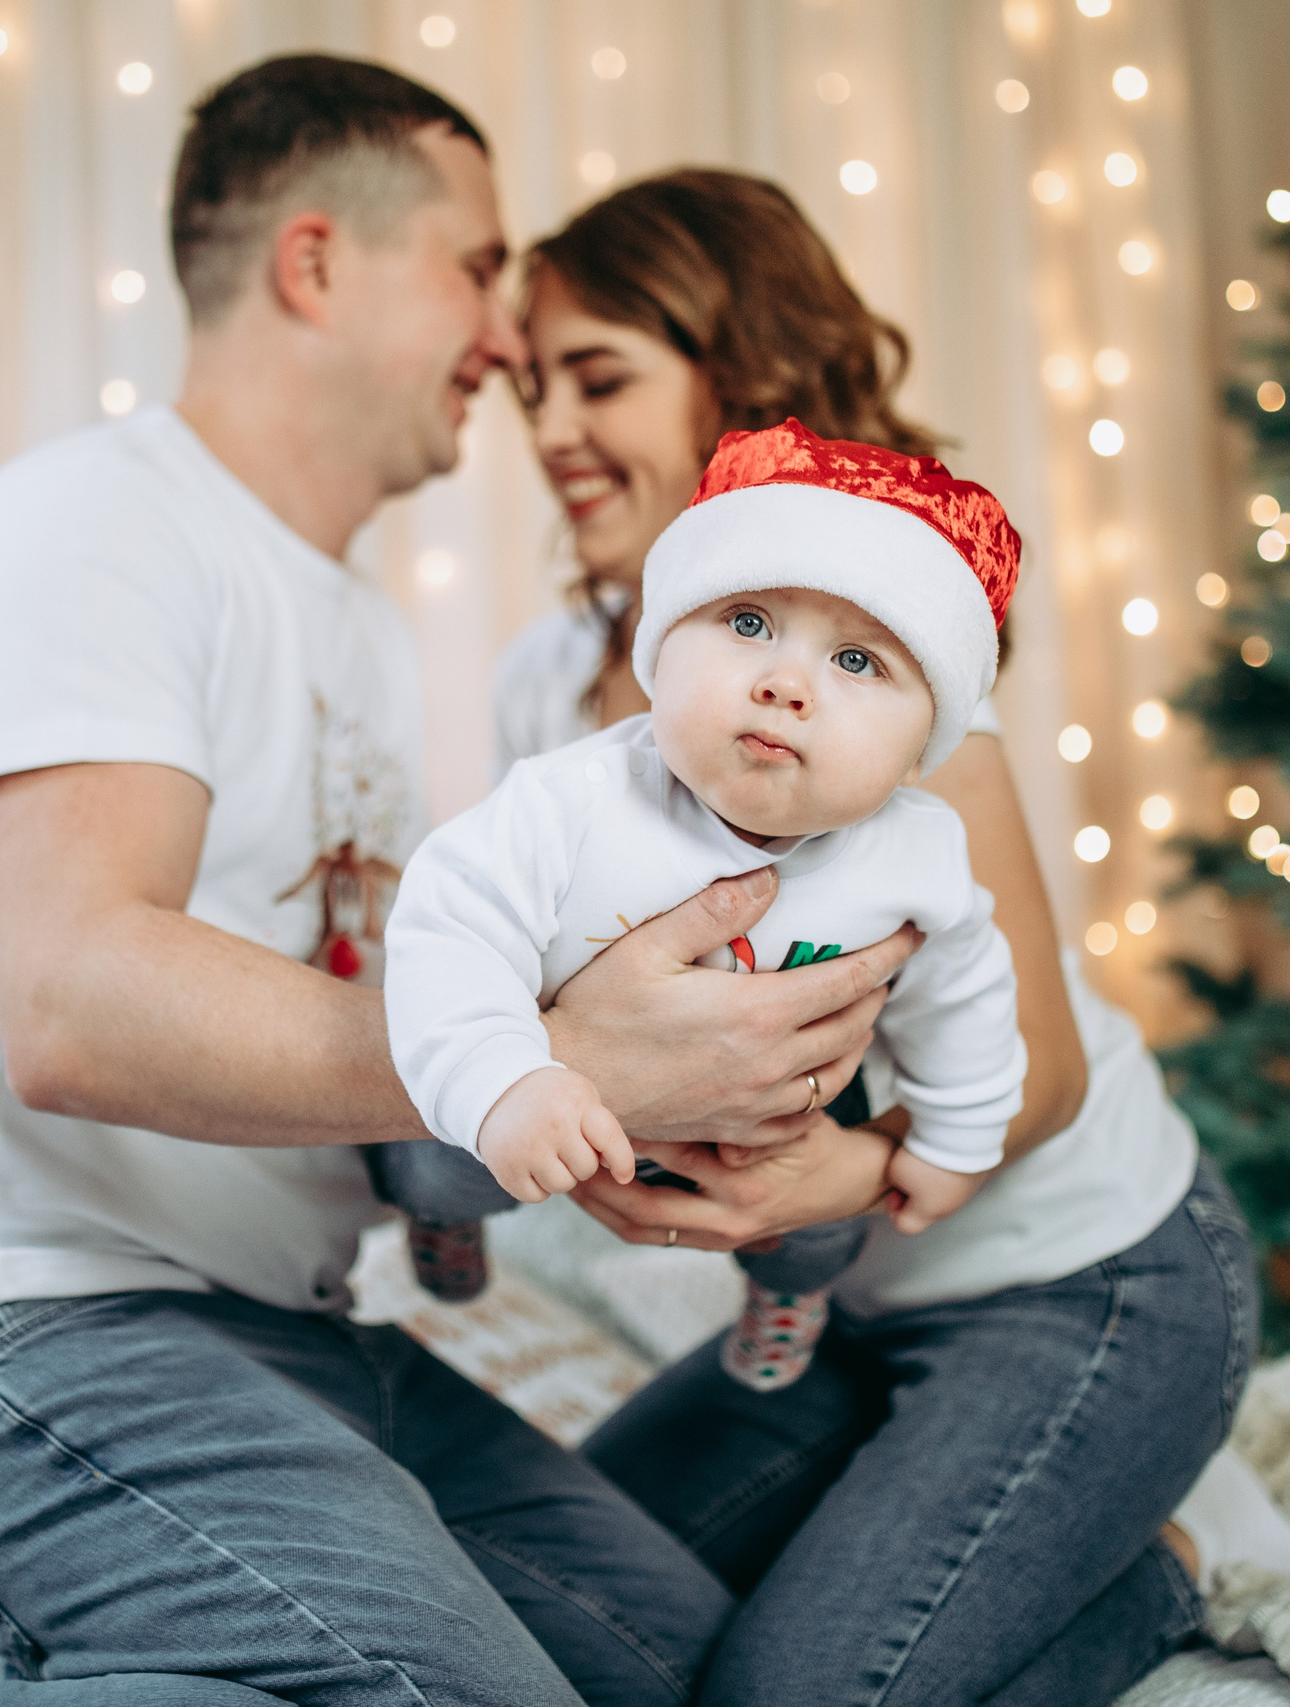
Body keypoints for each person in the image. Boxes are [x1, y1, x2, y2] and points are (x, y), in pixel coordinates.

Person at [0, 60, 923, 1707]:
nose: (508, 334)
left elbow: (354, 1014)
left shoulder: (367, 634)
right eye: (474, 265)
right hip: (16, 1329)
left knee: (684, 1686)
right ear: (315, 263)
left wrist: (493, 1153)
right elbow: (77, 999)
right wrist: (545, 1057)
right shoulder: (98, 529)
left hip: (291, 1339)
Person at [496, 169, 1259, 1707]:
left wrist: (832, 1176)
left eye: (598, 378)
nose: (552, 431)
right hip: (837, 1312)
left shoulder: (864, 651)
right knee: (508, 1616)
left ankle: (1150, 1581)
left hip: (1084, 1279)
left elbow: (1033, 1071)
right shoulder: (548, 686)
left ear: (733, 372)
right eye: (531, 386)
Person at [379, 420, 1030, 1392]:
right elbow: (447, 926)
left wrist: (955, 1140)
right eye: (748, 623)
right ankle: (440, 1216)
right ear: (660, 647)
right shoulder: (570, 801)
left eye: (858, 663)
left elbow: (967, 995)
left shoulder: (917, 852)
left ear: (920, 747)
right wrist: (505, 1079)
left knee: (820, 1228)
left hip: (773, 1101)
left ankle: (787, 1293)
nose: (783, 683)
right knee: (433, 1149)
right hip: (553, 1066)